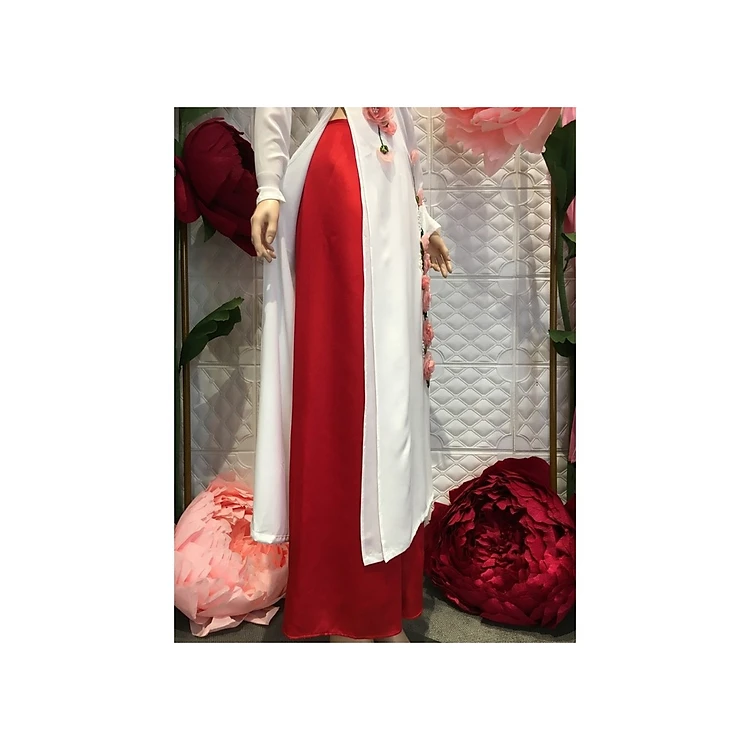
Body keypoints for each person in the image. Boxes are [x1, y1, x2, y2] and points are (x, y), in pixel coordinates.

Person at [250, 107, 452, 643]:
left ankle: (377, 606)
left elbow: (403, 125)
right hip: (342, 176)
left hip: (390, 183)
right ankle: (345, 607)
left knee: (393, 393)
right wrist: (269, 185)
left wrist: (423, 220)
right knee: (344, 382)